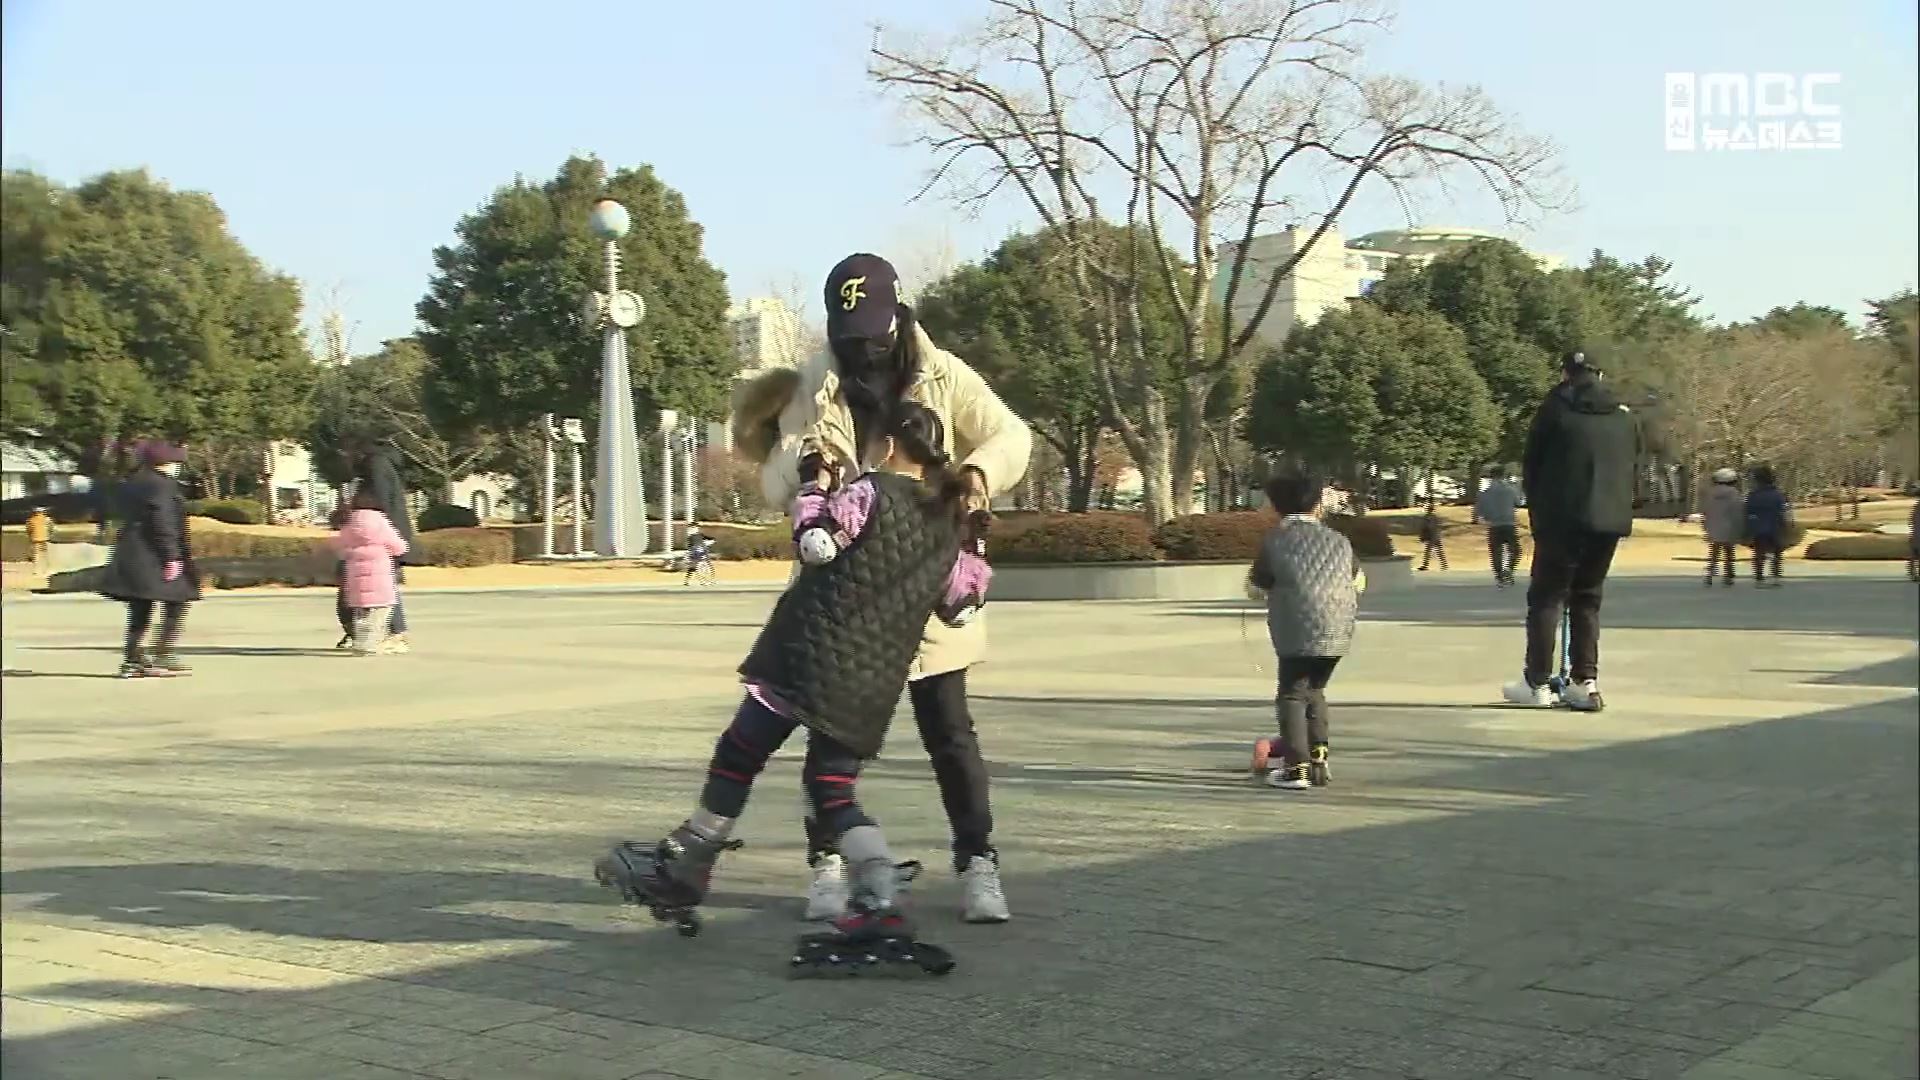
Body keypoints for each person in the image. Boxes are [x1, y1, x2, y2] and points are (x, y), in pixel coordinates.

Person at [594, 401, 981, 967]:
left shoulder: (871, 491)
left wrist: (814, 486)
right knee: (832, 788)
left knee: (740, 752)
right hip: (873, 680)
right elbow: (960, 607)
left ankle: (689, 861)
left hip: (809, 655)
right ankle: (879, 896)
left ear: (888, 444)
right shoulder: (950, 521)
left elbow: (816, 545)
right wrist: (975, 540)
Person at [729, 252, 1031, 925]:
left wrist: (977, 475)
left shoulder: (944, 374)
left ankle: (978, 861)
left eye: (869, 335)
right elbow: (778, 480)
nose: (859, 351)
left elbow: (1010, 434)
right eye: (847, 337)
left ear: (896, 317)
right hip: (843, 595)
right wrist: (806, 462)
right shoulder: (817, 379)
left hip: (924, 575)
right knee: (828, 735)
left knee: (949, 731)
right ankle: (828, 865)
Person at [1502, 350, 1638, 712]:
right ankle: (1584, 681)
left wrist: (1538, 512)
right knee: (1587, 599)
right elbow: (1631, 466)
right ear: (1600, 374)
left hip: (1561, 518)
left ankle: (1537, 682)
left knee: (1547, 598)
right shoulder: (1623, 416)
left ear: (1565, 374)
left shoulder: (1555, 409)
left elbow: (1533, 464)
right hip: (1607, 519)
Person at [1246, 467, 1362, 791]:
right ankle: (1319, 758)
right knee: (1316, 690)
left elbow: (1256, 587)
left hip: (1296, 629)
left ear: (1276, 505)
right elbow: (1359, 581)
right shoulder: (1339, 540)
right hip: (1338, 628)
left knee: (1292, 694)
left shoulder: (1276, 540)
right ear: (1316, 504)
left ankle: (1296, 767)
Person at [98, 441, 200, 679]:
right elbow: (163, 521)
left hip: (133, 551)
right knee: (178, 599)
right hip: (154, 554)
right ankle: (162, 652)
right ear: (168, 463)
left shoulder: (134, 482)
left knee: (141, 606)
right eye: (177, 462)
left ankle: (133, 659)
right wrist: (172, 556)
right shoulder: (161, 485)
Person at [348, 439, 421, 652]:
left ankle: (397, 634)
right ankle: (379, 633)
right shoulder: (378, 463)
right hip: (384, 531)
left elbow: (382, 501)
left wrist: (369, 526)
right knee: (381, 585)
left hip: (383, 533)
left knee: (385, 586)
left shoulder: (376, 464)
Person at [331, 489, 410, 655]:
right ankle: (373, 644)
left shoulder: (348, 521)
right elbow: (399, 546)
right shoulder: (379, 520)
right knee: (380, 612)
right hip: (379, 574)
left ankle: (360, 643)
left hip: (355, 575)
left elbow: (340, 547)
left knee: (361, 613)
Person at [1744, 465, 1791, 588]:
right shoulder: (1778, 495)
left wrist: (1748, 527)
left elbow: (1747, 512)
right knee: (1777, 552)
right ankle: (1776, 576)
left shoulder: (1753, 495)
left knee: (1759, 553)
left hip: (1758, 526)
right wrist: (1788, 524)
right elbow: (1785, 511)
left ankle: (1759, 578)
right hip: (1776, 526)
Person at [1476, 468, 1524, 587]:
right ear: (1503, 475)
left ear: (1491, 477)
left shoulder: (1484, 493)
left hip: (1494, 525)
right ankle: (1509, 569)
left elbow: (1480, 512)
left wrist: (1488, 515)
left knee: (1496, 552)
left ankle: (1499, 575)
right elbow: (1519, 503)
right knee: (1515, 550)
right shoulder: (1510, 490)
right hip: (1509, 523)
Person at [1701, 467, 1744, 588]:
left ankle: (1709, 575)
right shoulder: (1734, 493)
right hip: (1729, 525)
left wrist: (1706, 525)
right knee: (1729, 552)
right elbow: (1737, 510)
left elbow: (1705, 510)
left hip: (1713, 525)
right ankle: (1728, 575)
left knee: (1714, 551)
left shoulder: (1711, 493)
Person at [1416, 507, 1448, 571]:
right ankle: (1444, 565)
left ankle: (1425, 565)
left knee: (1428, 551)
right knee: (1439, 551)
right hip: (1435, 536)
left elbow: (1427, 528)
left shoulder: (1430, 517)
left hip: (1433, 536)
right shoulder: (1431, 517)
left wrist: (1424, 536)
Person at [26, 505, 51, 573]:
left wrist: (30, 536)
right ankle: (46, 569)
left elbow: (29, 530)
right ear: (43, 512)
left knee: (36, 555)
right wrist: (48, 535)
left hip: (35, 539)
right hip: (45, 539)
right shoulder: (47, 519)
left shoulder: (31, 520)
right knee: (45, 555)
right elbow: (51, 528)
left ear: (35, 512)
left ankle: (36, 570)